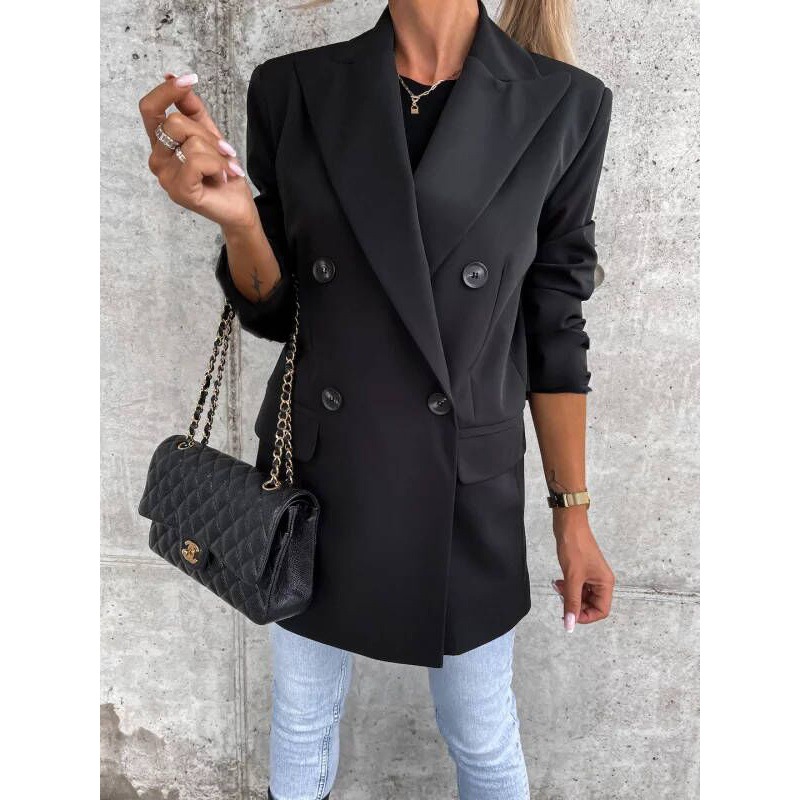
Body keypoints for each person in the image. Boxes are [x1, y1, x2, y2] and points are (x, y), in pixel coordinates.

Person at [138, 1, 616, 797]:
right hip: (320, 480)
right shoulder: (294, 87)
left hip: (463, 486)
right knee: (300, 720)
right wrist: (237, 223)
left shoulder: (566, 103)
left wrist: (573, 514)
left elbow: (554, 326)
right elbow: (275, 310)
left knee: (482, 735)